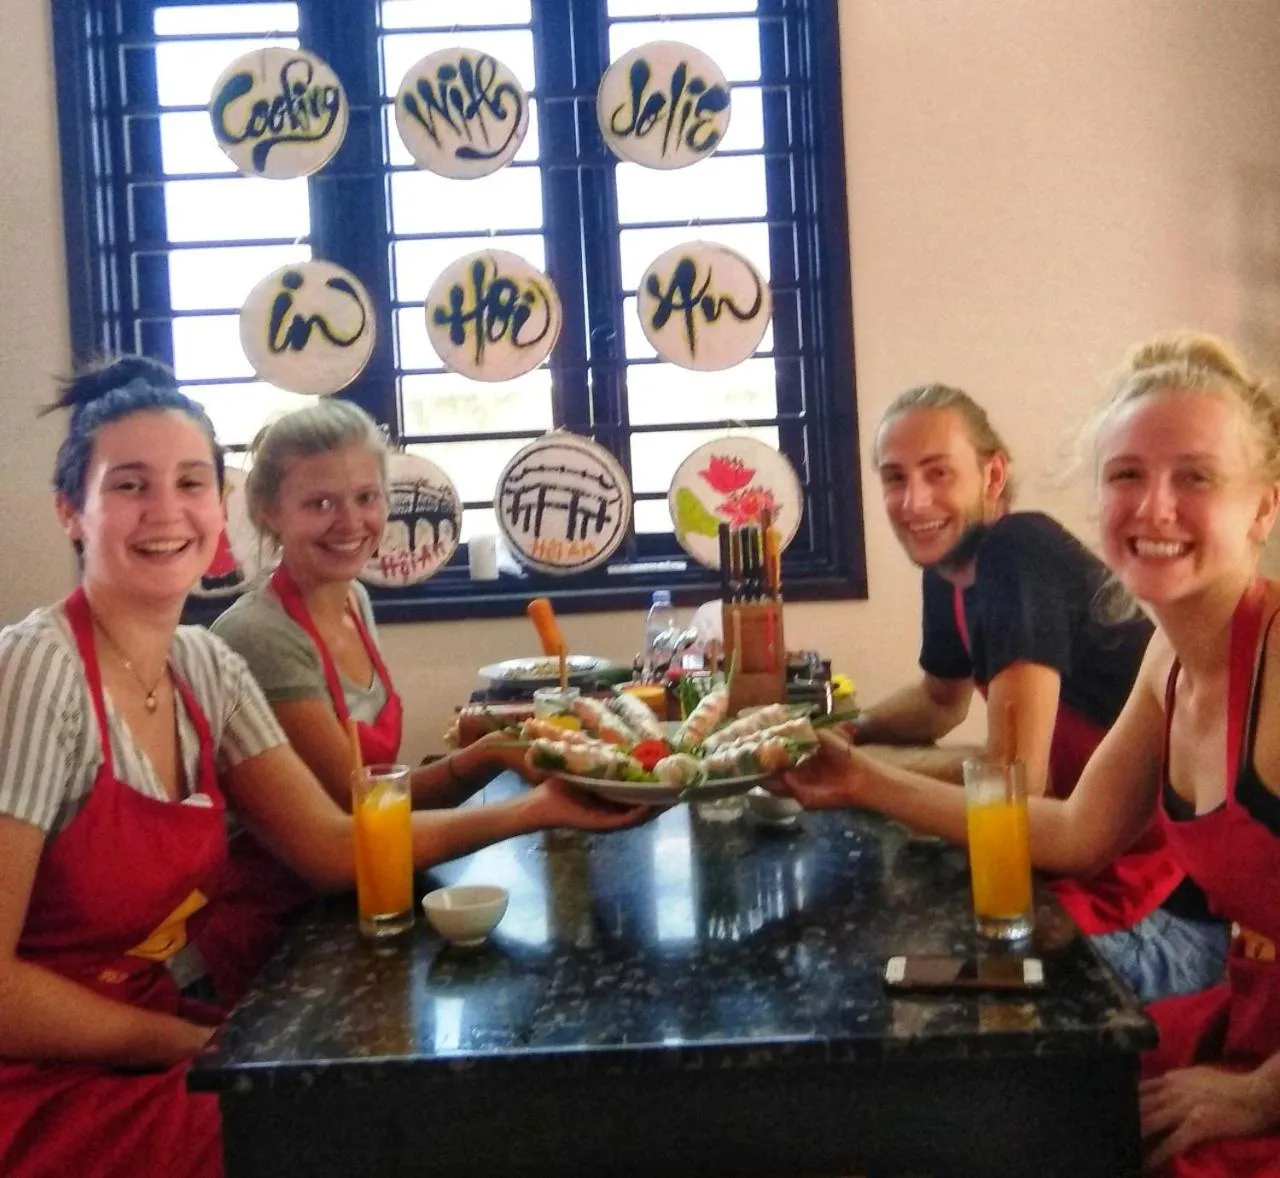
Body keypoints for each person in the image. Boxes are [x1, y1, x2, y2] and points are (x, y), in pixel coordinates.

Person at [0, 357, 647, 1178]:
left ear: (221, 502)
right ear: (71, 512)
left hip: (156, 1027)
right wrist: (197, 1042)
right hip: (46, 1084)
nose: (167, 512)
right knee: (364, 1133)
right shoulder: (34, 674)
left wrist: (536, 806)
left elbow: (334, 847)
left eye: (191, 483)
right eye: (130, 486)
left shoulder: (204, 667)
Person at [780, 333, 1280, 1175]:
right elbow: (1076, 832)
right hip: (1249, 1006)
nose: (1154, 508)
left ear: (1263, 507)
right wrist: (858, 775)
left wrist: (1261, 1094)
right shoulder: (1171, 658)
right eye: (1127, 475)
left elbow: (1021, 772)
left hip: (1257, 1046)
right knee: (990, 1109)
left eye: (1195, 478)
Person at [849, 384, 1227, 1001]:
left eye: (938, 472)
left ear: (993, 474)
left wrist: (861, 775)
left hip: (1157, 918)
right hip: (1073, 864)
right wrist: (848, 730)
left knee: (897, 974)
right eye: (894, 478)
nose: (913, 501)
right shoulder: (949, 569)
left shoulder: (1016, 548)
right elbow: (939, 701)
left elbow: (1015, 779)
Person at [204, 399, 552, 1002]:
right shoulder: (260, 637)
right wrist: (499, 773)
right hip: (283, 931)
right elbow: (360, 813)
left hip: (359, 902)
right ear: (268, 512)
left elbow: (379, 792)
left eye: (366, 498)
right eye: (319, 504)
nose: (351, 522)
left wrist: (494, 749)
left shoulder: (352, 602)